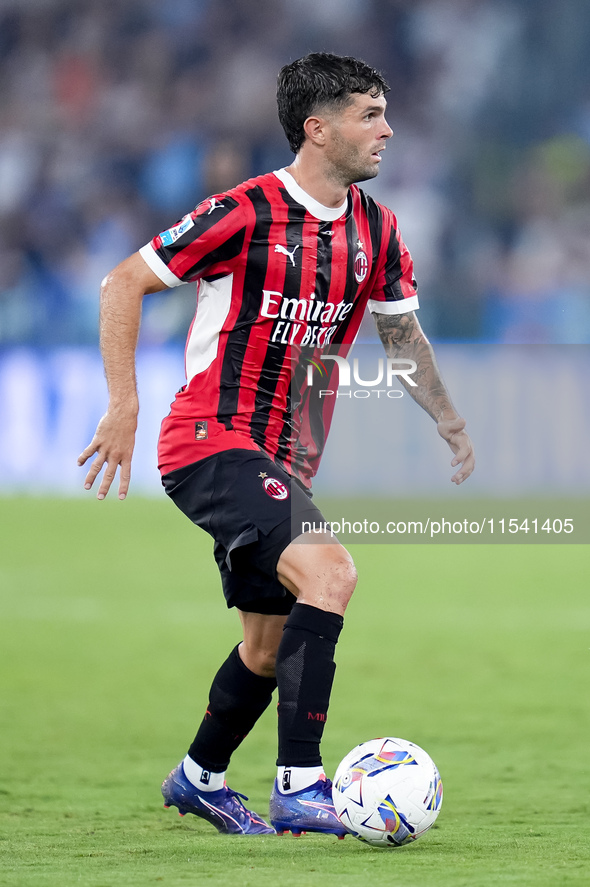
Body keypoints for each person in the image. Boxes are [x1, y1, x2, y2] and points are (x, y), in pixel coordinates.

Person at [78, 52, 474, 838]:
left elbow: (401, 338)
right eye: (369, 114)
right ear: (316, 128)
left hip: (279, 460)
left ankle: (199, 776)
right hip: (206, 440)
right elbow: (123, 282)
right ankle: (300, 782)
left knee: (265, 644)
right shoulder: (243, 211)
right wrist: (122, 403)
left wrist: (446, 416)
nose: (387, 129)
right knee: (331, 571)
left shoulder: (376, 229)